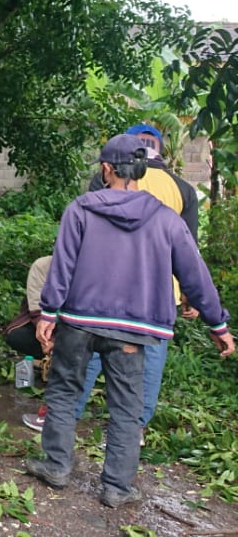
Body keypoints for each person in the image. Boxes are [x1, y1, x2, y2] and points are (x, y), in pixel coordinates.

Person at [25, 134, 233, 509]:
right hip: (132, 332)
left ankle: (56, 466)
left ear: (107, 168)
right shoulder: (166, 219)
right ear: (139, 170)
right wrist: (218, 325)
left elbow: (62, 265)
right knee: (125, 408)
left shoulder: (81, 209)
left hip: (78, 321)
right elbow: (195, 274)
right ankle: (117, 488)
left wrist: (49, 312)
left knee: (63, 391)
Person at [72, 123, 201, 441]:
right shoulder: (181, 187)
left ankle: (67, 414)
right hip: (156, 295)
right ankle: (135, 427)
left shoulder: (106, 178)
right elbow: (189, 248)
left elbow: (85, 230)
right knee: (150, 359)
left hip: (102, 285)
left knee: (90, 351)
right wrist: (189, 294)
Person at [12, 256, 51, 431]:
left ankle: (54, 415)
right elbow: (36, 309)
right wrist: (48, 339)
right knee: (18, 336)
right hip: (49, 323)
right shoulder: (43, 266)